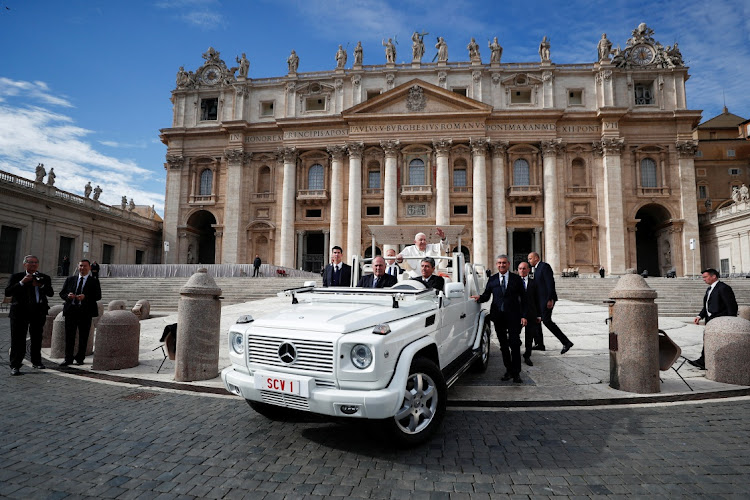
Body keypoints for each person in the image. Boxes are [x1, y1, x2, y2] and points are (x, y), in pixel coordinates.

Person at [472, 255, 527, 383]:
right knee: (503, 346)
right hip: (498, 317)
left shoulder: (516, 279)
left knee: (514, 344)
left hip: (514, 317)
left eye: (504, 263)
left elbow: (524, 299)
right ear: (496, 265)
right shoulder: (492, 279)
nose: (501, 265)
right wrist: (478, 298)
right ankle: (508, 370)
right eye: (499, 263)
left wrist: (524, 316)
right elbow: (486, 296)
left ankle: (516, 373)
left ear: (508, 264)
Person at [5, 255, 54, 375]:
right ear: (24, 264)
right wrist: (22, 282)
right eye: (30, 262)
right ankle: (15, 365)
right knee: (18, 339)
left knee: (37, 338)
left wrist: (41, 285)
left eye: (36, 262)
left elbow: (51, 293)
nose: (33, 265)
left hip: (38, 312)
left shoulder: (44, 277)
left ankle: (37, 361)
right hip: (19, 313)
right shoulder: (17, 277)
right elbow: (8, 292)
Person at [688, 268, 738, 369]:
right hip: (710, 319)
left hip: (720, 319)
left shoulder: (723, 288)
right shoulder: (709, 289)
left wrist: (731, 321)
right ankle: (703, 361)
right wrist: (700, 316)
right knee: (706, 339)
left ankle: (711, 361)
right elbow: (707, 305)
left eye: (705, 277)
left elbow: (731, 305)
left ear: (713, 276)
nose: (704, 279)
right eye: (703, 277)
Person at [527, 252, 574, 354]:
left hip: (546, 300)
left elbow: (550, 283)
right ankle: (539, 344)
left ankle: (566, 342)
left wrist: (550, 299)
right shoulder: (535, 269)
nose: (529, 261)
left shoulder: (544, 266)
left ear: (536, 258)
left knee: (547, 321)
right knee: (536, 319)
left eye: (530, 258)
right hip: (539, 300)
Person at [58, 259, 102, 366]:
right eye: (81, 266)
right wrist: (68, 296)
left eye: (85, 266)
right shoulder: (70, 279)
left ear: (90, 268)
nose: (83, 268)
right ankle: (68, 358)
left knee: (84, 336)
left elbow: (98, 296)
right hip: (71, 311)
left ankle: (80, 358)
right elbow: (62, 293)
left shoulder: (94, 281)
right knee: (69, 336)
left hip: (85, 312)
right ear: (78, 267)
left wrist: (85, 297)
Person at [517, 261, 540, 367]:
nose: (522, 270)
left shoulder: (534, 283)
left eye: (524, 268)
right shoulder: (513, 282)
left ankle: (527, 355)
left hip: (531, 313)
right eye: (520, 268)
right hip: (517, 314)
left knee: (529, 336)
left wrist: (539, 315)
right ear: (518, 270)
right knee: (515, 335)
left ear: (529, 270)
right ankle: (516, 353)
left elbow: (538, 299)